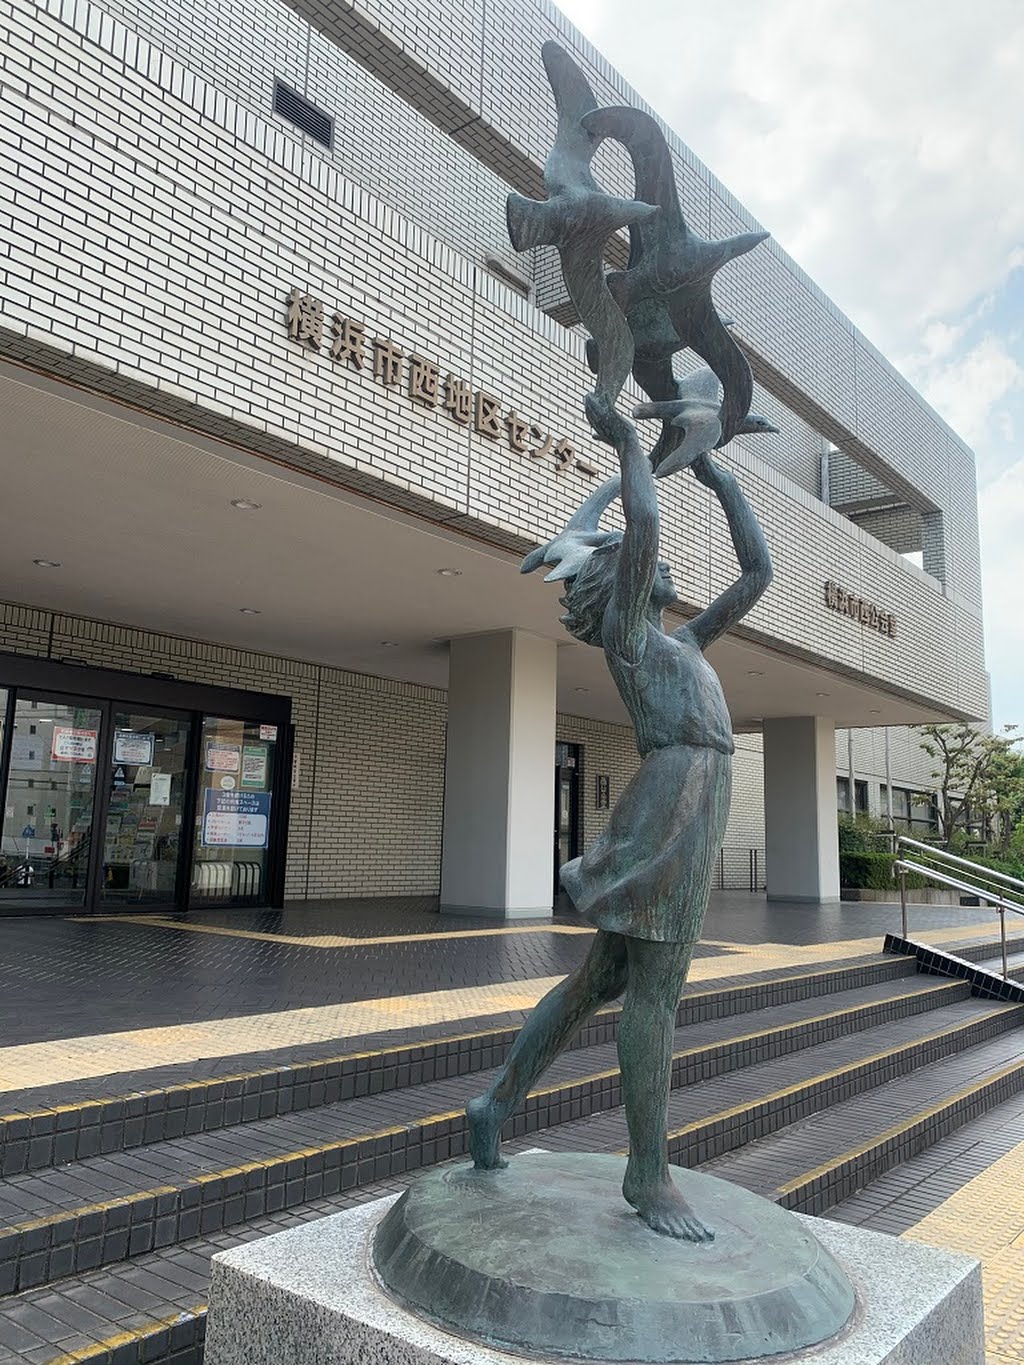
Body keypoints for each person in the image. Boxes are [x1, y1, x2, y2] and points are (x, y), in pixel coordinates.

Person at [466, 391, 773, 1241]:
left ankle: (493, 1105)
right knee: (656, 993)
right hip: (673, 808)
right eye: (641, 562)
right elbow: (643, 525)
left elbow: (758, 573)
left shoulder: (684, 642)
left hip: (689, 800)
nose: (660, 566)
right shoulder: (630, 636)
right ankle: (648, 1174)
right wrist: (631, 446)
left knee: (597, 982)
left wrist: (715, 472)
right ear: (621, 577)